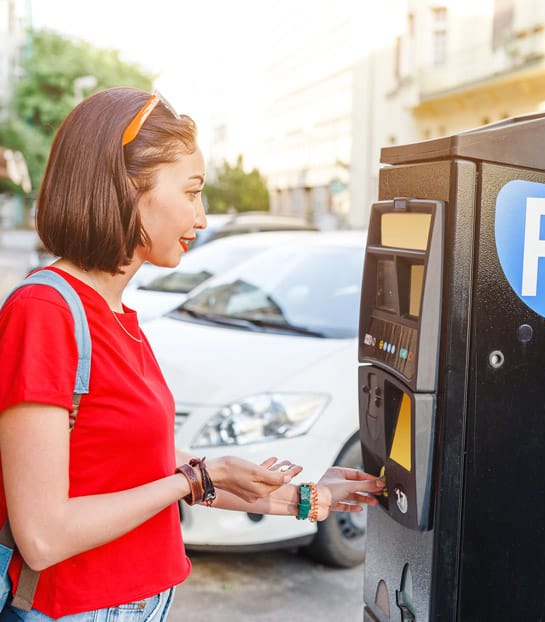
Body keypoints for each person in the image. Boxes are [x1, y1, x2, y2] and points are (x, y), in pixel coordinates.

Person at [0, 87, 384, 621]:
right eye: (192, 192)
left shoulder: (119, 316)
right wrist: (193, 479)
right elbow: (41, 536)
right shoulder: (45, 310)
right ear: (128, 188)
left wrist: (305, 497)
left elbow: (152, 469)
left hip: (144, 602)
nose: (202, 219)